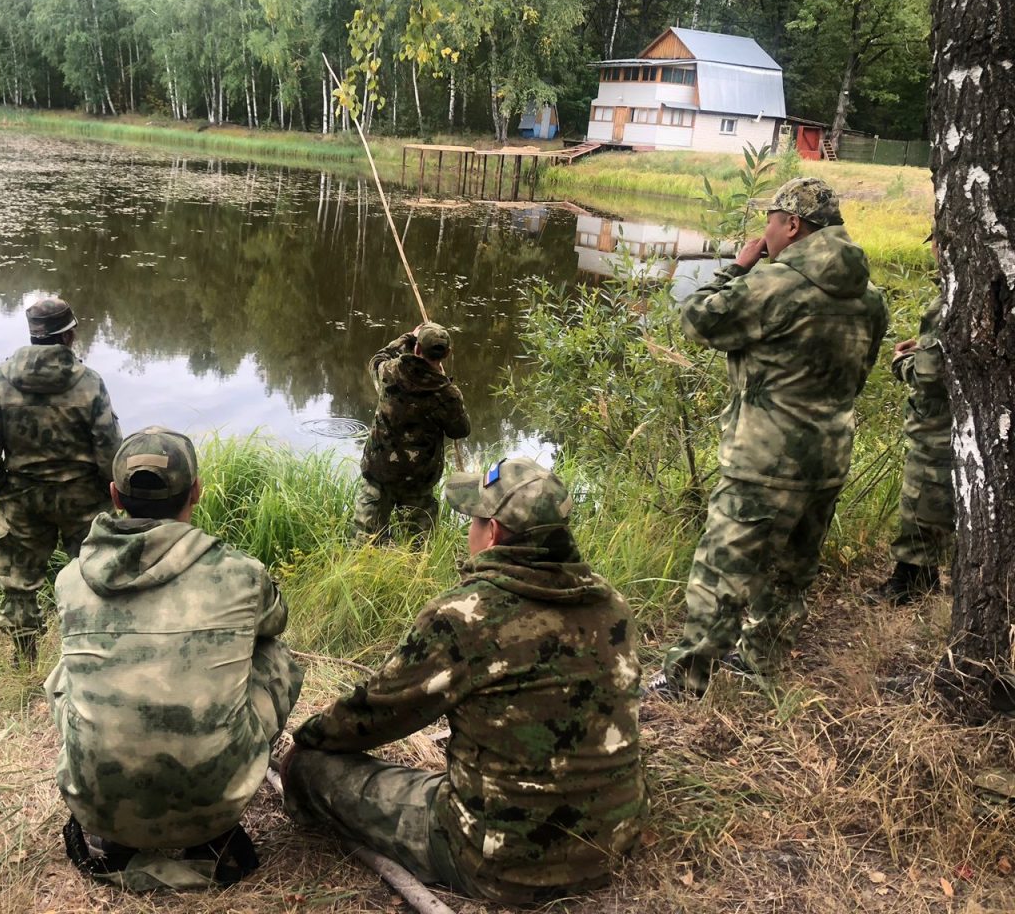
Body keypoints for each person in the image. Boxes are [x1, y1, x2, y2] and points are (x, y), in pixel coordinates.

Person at [284, 456, 648, 905]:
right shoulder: (612, 603)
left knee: (306, 767)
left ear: (492, 533)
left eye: (474, 520)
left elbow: (373, 715)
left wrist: (306, 738)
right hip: (614, 843)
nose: (470, 531)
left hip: (500, 864)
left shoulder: (463, 617)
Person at [653, 177, 889, 698]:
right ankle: (762, 666)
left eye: (770, 222)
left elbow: (696, 319)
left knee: (723, 572)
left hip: (763, 459)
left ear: (792, 225)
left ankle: (688, 681)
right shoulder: (870, 297)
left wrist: (738, 265)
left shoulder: (774, 284)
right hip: (828, 458)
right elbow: (862, 370)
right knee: (791, 574)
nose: (765, 233)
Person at [45, 427, 302, 890]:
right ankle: (211, 831)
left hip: (96, 804)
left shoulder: (70, 580)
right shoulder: (242, 575)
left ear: (115, 497)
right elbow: (276, 623)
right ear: (196, 492)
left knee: (66, 673)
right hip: (213, 809)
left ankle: (109, 836)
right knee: (275, 656)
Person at [0, 297, 122, 665]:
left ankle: (24, 661)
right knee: (94, 579)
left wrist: (4, 487)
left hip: (22, 500)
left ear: (34, 335)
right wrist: (103, 491)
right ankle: (92, 659)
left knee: (19, 587)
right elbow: (110, 455)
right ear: (69, 335)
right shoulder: (89, 384)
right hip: (83, 502)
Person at [870, 234, 953, 603]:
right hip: (957, 423)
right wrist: (921, 348)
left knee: (922, 495)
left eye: (934, 239)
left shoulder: (951, 300)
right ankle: (924, 574)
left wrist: (901, 362)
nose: (932, 249)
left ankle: (910, 581)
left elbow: (930, 377)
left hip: (939, 425)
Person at [354, 322, 470, 542]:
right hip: (418, 480)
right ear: (447, 354)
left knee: (366, 541)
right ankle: (413, 573)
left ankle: (368, 570)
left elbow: (376, 360)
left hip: (380, 471)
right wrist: (448, 388)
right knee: (419, 548)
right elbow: (460, 430)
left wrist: (407, 337)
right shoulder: (447, 394)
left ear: (416, 349)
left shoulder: (391, 372)